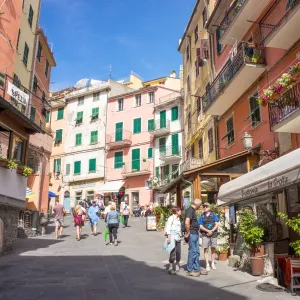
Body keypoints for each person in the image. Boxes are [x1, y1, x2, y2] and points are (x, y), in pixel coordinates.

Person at [184, 199, 208, 277]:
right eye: (200, 205)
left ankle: (197, 268)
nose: (201, 207)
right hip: (192, 234)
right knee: (193, 252)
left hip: (195, 233)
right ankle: (190, 270)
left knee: (196, 252)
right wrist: (188, 232)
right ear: (197, 205)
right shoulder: (190, 210)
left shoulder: (191, 210)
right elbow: (187, 222)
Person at [199, 202, 220, 271]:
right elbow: (200, 226)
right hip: (205, 235)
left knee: (213, 249)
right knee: (206, 249)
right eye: (204, 206)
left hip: (213, 234)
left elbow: (217, 224)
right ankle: (207, 264)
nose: (205, 207)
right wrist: (208, 231)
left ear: (209, 208)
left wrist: (212, 231)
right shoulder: (201, 216)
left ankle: (213, 263)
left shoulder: (214, 215)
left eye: (206, 206)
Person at [165, 206, 182, 275]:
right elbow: (168, 227)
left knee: (178, 252)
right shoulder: (171, 218)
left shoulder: (178, 218)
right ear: (177, 211)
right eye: (180, 210)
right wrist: (168, 236)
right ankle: (171, 266)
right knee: (172, 252)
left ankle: (177, 264)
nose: (181, 211)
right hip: (172, 236)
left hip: (178, 237)